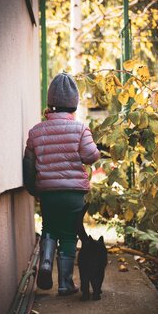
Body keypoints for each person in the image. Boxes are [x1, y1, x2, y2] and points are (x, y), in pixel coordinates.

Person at [23, 73, 100, 295]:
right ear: (73, 105)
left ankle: (46, 262)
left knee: (49, 227)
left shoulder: (36, 131)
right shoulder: (80, 129)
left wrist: (33, 189)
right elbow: (90, 156)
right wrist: (97, 151)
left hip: (48, 192)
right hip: (74, 193)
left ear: (50, 104)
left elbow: (29, 164)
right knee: (68, 234)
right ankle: (65, 284)